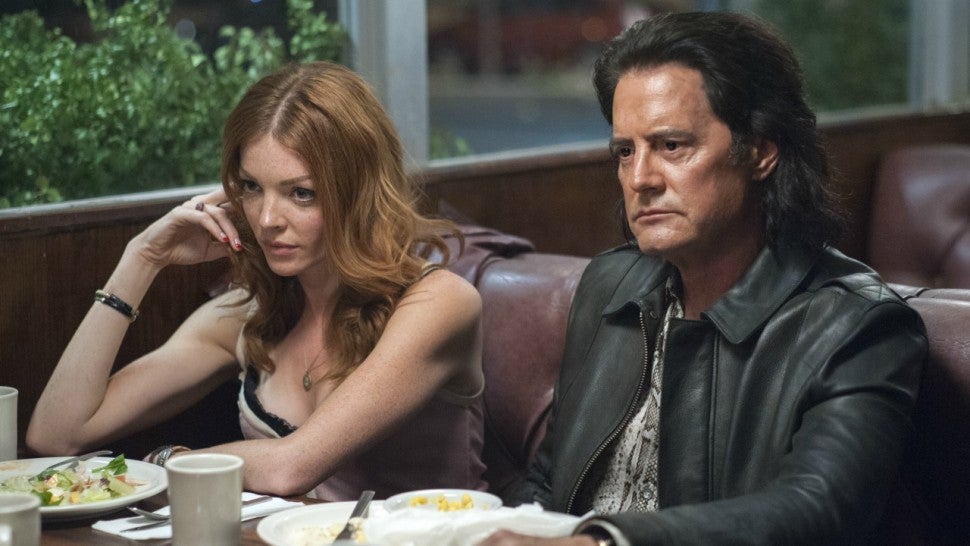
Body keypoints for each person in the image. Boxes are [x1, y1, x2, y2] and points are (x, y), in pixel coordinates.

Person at [478, 11, 926, 546]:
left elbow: (817, 508)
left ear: (760, 151)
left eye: (672, 146)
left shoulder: (859, 326)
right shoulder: (609, 284)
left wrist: (602, 542)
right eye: (625, 151)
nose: (640, 179)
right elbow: (551, 478)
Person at [26, 61, 487, 500]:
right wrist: (142, 258)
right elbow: (55, 434)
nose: (267, 219)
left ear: (361, 196)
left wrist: (167, 464)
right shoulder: (249, 315)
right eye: (251, 187)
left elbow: (293, 467)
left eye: (301, 193)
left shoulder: (440, 303)